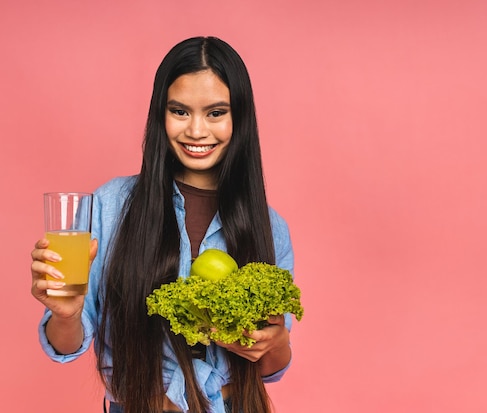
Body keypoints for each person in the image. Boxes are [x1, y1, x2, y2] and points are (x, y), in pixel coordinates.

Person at [30, 36, 295, 413]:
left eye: (216, 113)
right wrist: (66, 314)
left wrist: (276, 341)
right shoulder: (110, 205)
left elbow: (271, 367)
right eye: (180, 111)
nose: (197, 131)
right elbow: (67, 346)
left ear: (240, 118)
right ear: (160, 114)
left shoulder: (269, 226)